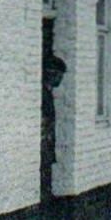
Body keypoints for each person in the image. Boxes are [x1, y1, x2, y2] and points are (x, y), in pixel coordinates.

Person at [41, 52, 66, 208]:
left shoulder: (47, 93)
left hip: (47, 147)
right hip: (42, 147)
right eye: (59, 75)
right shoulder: (43, 95)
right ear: (52, 74)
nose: (61, 79)